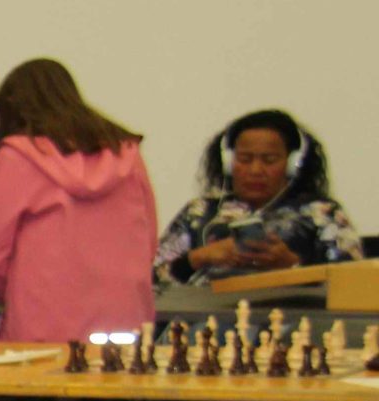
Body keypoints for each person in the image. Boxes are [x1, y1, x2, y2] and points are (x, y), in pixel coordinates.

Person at [0, 59, 156, 343]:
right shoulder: (126, 155)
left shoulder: (16, 158)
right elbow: (148, 240)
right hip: (123, 319)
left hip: (40, 323)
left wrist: (11, 292)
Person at [155, 108, 361, 286]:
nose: (255, 170)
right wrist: (197, 258)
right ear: (229, 163)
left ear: (292, 164)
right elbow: (149, 281)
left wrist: (292, 266)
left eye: (269, 160)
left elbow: (354, 284)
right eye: (245, 159)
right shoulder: (199, 212)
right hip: (203, 316)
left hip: (290, 317)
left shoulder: (321, 213)